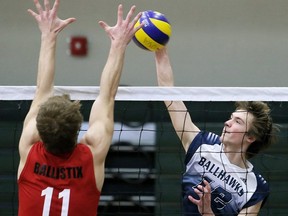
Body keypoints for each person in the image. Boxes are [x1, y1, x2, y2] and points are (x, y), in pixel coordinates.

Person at [17, 0, 143, 215]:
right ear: (78, 130)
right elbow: (107, 97)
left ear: (39, 131)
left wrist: (48, 35)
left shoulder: (29, 148)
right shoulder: (91, 155)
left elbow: (42, 91)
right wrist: (118, 44)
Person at [154, 47, 278, 216]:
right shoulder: (201, 145)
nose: (227, 123)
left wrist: (208, 213)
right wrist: (160, 51)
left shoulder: (256, 187)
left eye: (237, 122)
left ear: (250, 137)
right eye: (231, 117)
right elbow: (169, 94)